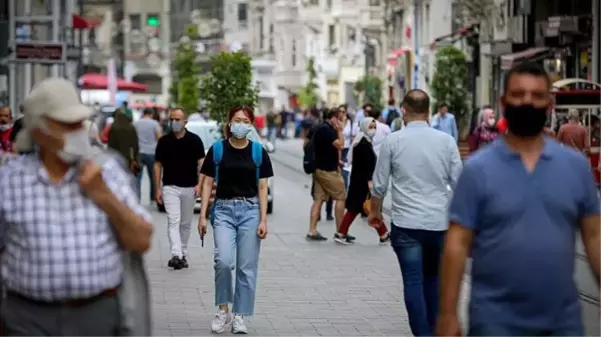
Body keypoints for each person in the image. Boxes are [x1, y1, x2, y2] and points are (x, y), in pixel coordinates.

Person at [437, 62, 601, 337]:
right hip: (494, 320)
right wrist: (447, 313)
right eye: (519, 94)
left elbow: (595, 237)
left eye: (537, 96)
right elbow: (457, 243)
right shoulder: (478, 170)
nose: (527, 102)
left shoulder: (575, 168)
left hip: (562, 322)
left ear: (549, 104)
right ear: (503, 102)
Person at [0, 77, 153, 337]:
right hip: (26, 317)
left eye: (79, 124)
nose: (77, 131)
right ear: (39, 130)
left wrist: (103, 194)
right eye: (66, 125)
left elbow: (141, 240)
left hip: (96, 314)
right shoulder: (10, 181)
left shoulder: (107, 171)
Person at [370, 90, 462, 337]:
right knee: (432, 280)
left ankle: (423, 334)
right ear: (429, 111)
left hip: (406, 223)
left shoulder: (393, 141)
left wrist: (375, 212)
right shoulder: (446, 141)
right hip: (439, 223)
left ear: (404, 111)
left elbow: (379, 184)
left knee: (413, 281)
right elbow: (460, 182)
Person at [198, 107, 274, 334]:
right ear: (229, 123)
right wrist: (202, 216)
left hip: (250, 210)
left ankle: (240, 315)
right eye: (236, 120)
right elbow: (208, 183)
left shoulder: (258, 152)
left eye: (245, 120)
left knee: (246, 267)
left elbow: (263, 187)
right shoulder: (218, 149)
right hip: (222, 210)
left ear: (251, 124)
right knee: (224, 261)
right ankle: (223, 310)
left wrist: (263, 219)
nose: (240, 124)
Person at [154, 108, 205, 270]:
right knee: (173, 220)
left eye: (177, 119)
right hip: (170, 187)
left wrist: (200, 184)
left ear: (185, 122)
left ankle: (182, 252)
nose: (174, 122)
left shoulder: (195, 140)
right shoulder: (164, 142)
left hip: (190, 187)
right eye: (171, 119)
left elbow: (201, 164)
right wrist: (157, 188)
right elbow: (157, 165)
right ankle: (176, 254)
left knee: (185, 223)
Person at [335, 117, 389, 244]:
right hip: (362, 183)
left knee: (365, 209)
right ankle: (341, 233)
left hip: (359, 182)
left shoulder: (365, 142)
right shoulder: (363, 144)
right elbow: (366, 166)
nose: (373, 130)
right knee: (366, 209)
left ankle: (383, 233)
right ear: (364, 127)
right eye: (370, 127)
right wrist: (370, 181)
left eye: (374, 127)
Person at [307, 108, 346, 241]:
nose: (341, 122)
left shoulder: (321, 128)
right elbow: (340, 145)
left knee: (319, 200)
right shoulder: (327, 130)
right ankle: (341, 232)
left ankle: (312, 231)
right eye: (340, 119)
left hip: (319, 169)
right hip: (327, 171)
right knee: (341, 197)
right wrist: (340, 131)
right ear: (334, 118)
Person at [134, 107, 162, 202]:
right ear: (151, 114)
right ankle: (153, 198)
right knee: (153, 177)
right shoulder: (155, 124)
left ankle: (137, 197)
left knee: (138, 177)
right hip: (152, 153)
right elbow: (159, 138)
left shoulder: (136, 123)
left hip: (139, 153)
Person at [107, 109, 140, 175]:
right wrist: (134, 159)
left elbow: (110, 145)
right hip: (128, 158)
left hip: (116, 158)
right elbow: (135, 145)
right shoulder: (131, 127)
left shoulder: (113, 127)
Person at [340, 104, 358, 189]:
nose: (341, 114)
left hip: (347, 149)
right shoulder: (336, 122)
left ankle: (344, 191)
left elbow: (353, 137)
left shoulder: (351, 123)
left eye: (343, 112)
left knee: (345, 172)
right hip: (337, 149)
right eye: (339, 112)